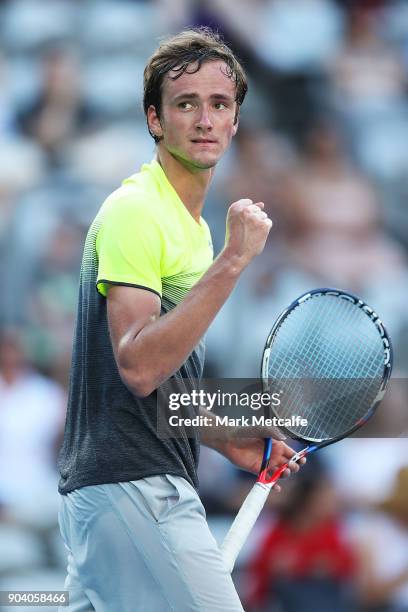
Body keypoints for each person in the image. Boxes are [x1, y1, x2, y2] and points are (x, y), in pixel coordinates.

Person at [57, 27, 304, 611]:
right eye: (185, 104)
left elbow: (165, 378)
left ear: (235, 120)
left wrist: (227, 438)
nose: (204, 119)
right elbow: (138, 364)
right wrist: (235, 259)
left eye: (219, 104)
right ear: (154, 120)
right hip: (133, 490)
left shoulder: (189, 228)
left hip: (115, 493)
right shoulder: (136, 210)